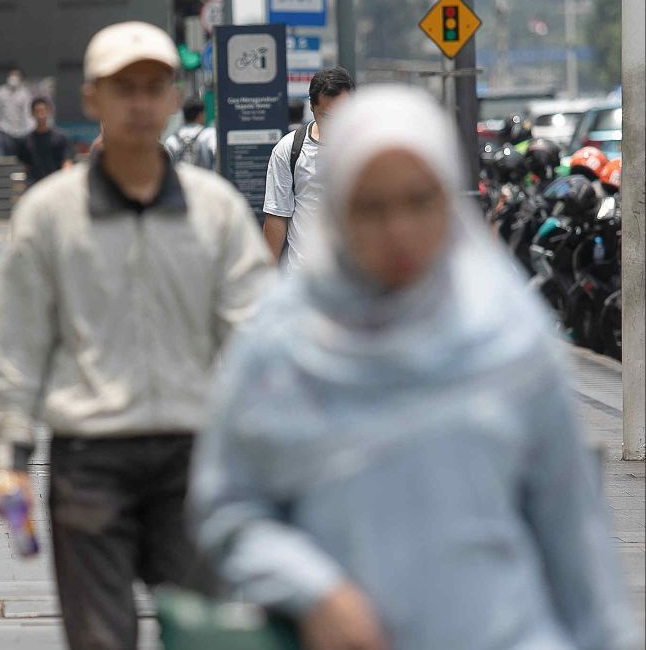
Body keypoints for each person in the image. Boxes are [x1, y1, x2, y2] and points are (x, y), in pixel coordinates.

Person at [189, 86, 641, 650]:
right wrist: (314, 588)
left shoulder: (508, 341)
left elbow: (575, 548)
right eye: (370, 207)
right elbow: (229, 516)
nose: (397, 228)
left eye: (419, 201)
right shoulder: (282, 349)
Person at [0, 21, 274, 650]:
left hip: (194, 457)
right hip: (90, 459)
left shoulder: (216, 210)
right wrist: (11, 457)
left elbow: (257, 336)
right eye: (124, 89)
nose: (140, 103)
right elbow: (20, 343)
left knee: (205, 637)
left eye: (154, 87)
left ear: (174, 97)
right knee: (100, 640)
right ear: (92, 100)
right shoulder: (50, 215)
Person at [262, 66, 355, 269]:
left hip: (359, 282)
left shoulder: (368, 149)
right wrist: (263, 280)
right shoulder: (289, 150)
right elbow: (277, 216)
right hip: (304, 275)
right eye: (328, 117)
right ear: (312, 108)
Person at [15, 98, 73, 186]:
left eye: (43, 111)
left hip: (56, 185)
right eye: (37, 111)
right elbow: (24, 167)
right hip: (34, 187)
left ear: (49, 112)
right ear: (32, 114)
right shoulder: (25, 141)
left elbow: (67, 163)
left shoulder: (61, 138)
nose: (40, 115)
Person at [0, 68, 35, 155]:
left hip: (21, 131)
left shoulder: (25, 93)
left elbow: (28, 113)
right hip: (4, 129)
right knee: (6, 154)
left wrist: (30, 129)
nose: (13, 78)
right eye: (12, 75)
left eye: (16, 76)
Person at [163, 97, 216, 169]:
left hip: (180, 179)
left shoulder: (172, 139)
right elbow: (216, 155)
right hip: (204, 178)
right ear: (201, 115)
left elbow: (166, 164)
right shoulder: (209, 134)